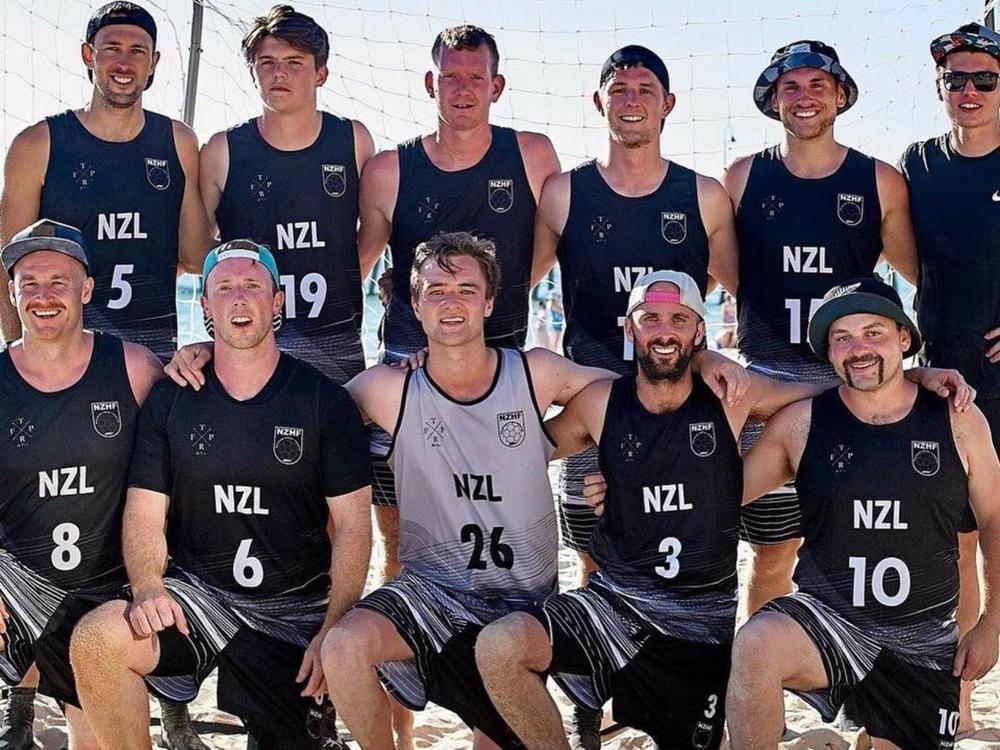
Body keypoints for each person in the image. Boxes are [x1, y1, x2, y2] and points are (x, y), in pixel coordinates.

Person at [475, 272, 972, 750]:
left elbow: (840, 391)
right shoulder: (600, 402)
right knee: (500, 648)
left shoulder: (733, 394)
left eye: (679, 320)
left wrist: (914, 376)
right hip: (614, 604)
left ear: (700, 331)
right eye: (650, 319)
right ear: (629, 329)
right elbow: (521, 451)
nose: (664, 332)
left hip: (698, 625)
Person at [68, 240, 373, 750]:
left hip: (290, 608)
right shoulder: (172, 396)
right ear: (205, 305)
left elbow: (354, 526)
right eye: (224, 287)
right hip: (201, 599)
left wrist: (334, 625)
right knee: (98, 642)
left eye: (252, 285)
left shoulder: (324, 400)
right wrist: (148, 586)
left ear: (277, 300)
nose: (239, 297)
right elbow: (145, 513)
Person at [526, 46, 740, 746]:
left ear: (667, 104)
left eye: (645, 89)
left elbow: (743, 290)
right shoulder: (564, 192)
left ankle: (682, 683)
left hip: (677, 401)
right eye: (618, 89)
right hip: (594, 401)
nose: (631, 100)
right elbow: (513, 286)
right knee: (594, 547)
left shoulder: (703, 194)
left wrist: (709, 351)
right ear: (600, 102)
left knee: (690, 540)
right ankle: (594, 698)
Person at [357, 30, 560, 743]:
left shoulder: (531, 154)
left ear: (496, 86)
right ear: (430, 83)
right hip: (408, 378)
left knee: (507, 568)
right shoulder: (390, 168)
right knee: (403, 556)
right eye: (451, 76)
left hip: (499, 381)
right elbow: (358, 263)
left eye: (477, 77)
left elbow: (544, 251)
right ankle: (402, 733)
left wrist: (472, 330)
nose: (464, 88)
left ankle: (490, 725)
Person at [727, 277, 1000, 750]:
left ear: (903, 338)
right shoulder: (802, 422)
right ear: (828, 352)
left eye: (873, 332)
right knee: (755, 645)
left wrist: (992, 625)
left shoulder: (956, 417)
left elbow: (995, 517)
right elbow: (717, 497)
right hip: (828, 624)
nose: (858, 349)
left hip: (919, 641)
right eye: (842, 338)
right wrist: (619, 488)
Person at [722, 40, 919, 618]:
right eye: (791, 86)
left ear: (840, 95)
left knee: (863, 542)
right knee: (772, 552)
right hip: (768, 380)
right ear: (773, 99)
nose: (804, 97)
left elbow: (921, 276)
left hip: (854, 381)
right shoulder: (742, 177)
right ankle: (762, 663)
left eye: (817, 85)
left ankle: (853, 661)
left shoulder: (880, 180)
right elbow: (726, 273)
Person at [0, 219, 163, 750]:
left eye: (59, 282)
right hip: (18, 588)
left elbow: (187, 453)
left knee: (93, 738)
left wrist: (199, 354)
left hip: (103, 592)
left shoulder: (134, 368)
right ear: (12, 293)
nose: (43, 296)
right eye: (29, 283)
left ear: (87, 289)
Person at [0, 1, 211, 363]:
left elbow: (194, 259)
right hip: (64, 363)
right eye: (112, 48)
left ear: (153, 62)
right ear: (88, 55)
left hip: (153, 358)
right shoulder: (36, 144)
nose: (124, 63)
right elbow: (5, 262)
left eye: (137, 51)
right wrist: (19, 356)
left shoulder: (179, 141)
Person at [898, 21, 1000, 735]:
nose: (969, 90)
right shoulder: (921, 163)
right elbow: (912, 258)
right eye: (954, 79)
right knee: (958, 543)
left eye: (984, 79)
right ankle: (959, 702)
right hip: (946, 375)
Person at [200, 4, 375, 383]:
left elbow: (374, 234)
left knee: (341, 422)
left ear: (320, 73)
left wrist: (338, 275)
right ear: (253, 71)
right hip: (253, 349)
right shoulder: (221, 150)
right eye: (267, 62)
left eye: (295, 62)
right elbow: (196, 251)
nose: (279, 72)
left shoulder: (353, 140)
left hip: (336, 344)